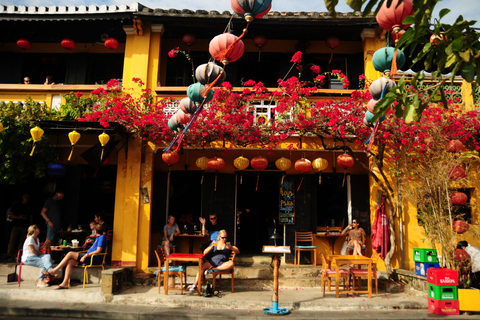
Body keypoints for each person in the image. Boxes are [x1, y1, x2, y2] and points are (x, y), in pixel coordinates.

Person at [47, 224, 106, 290]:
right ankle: (65, 283)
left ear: (95, 231)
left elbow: (98, 251)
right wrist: (91, 243)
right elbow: (97, 247)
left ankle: (55, 270)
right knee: (70, 262)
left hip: (93, 259)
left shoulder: (102, 238)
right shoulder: (98, 238)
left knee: (70, 253)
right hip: (89, 257)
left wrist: (86, 255)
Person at [8, 193, 31, 257]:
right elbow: (10, 215)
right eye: (25, 197)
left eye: (27, 197)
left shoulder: (28, 206)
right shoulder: (17, 205)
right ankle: (9, 253)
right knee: (13, 239)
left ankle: (20, 253)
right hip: (16, 225)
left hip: (25, 225)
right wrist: (19, 217)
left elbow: (30, 216)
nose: (26, 198)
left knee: (22, 241)